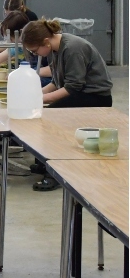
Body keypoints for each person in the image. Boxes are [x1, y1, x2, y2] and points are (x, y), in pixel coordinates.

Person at [21, 19, 113, 191]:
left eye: (35, 51)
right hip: (80, 93)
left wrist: (38, 100)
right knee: (44, 113)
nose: (36, 55)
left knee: (49, 120)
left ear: (46, 42)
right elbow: (57, 82)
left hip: (95, 97)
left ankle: (54, 174)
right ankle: (44, 163)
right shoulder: (55, 49)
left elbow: (73, 87)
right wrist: (33, 94)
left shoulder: (72, 49)